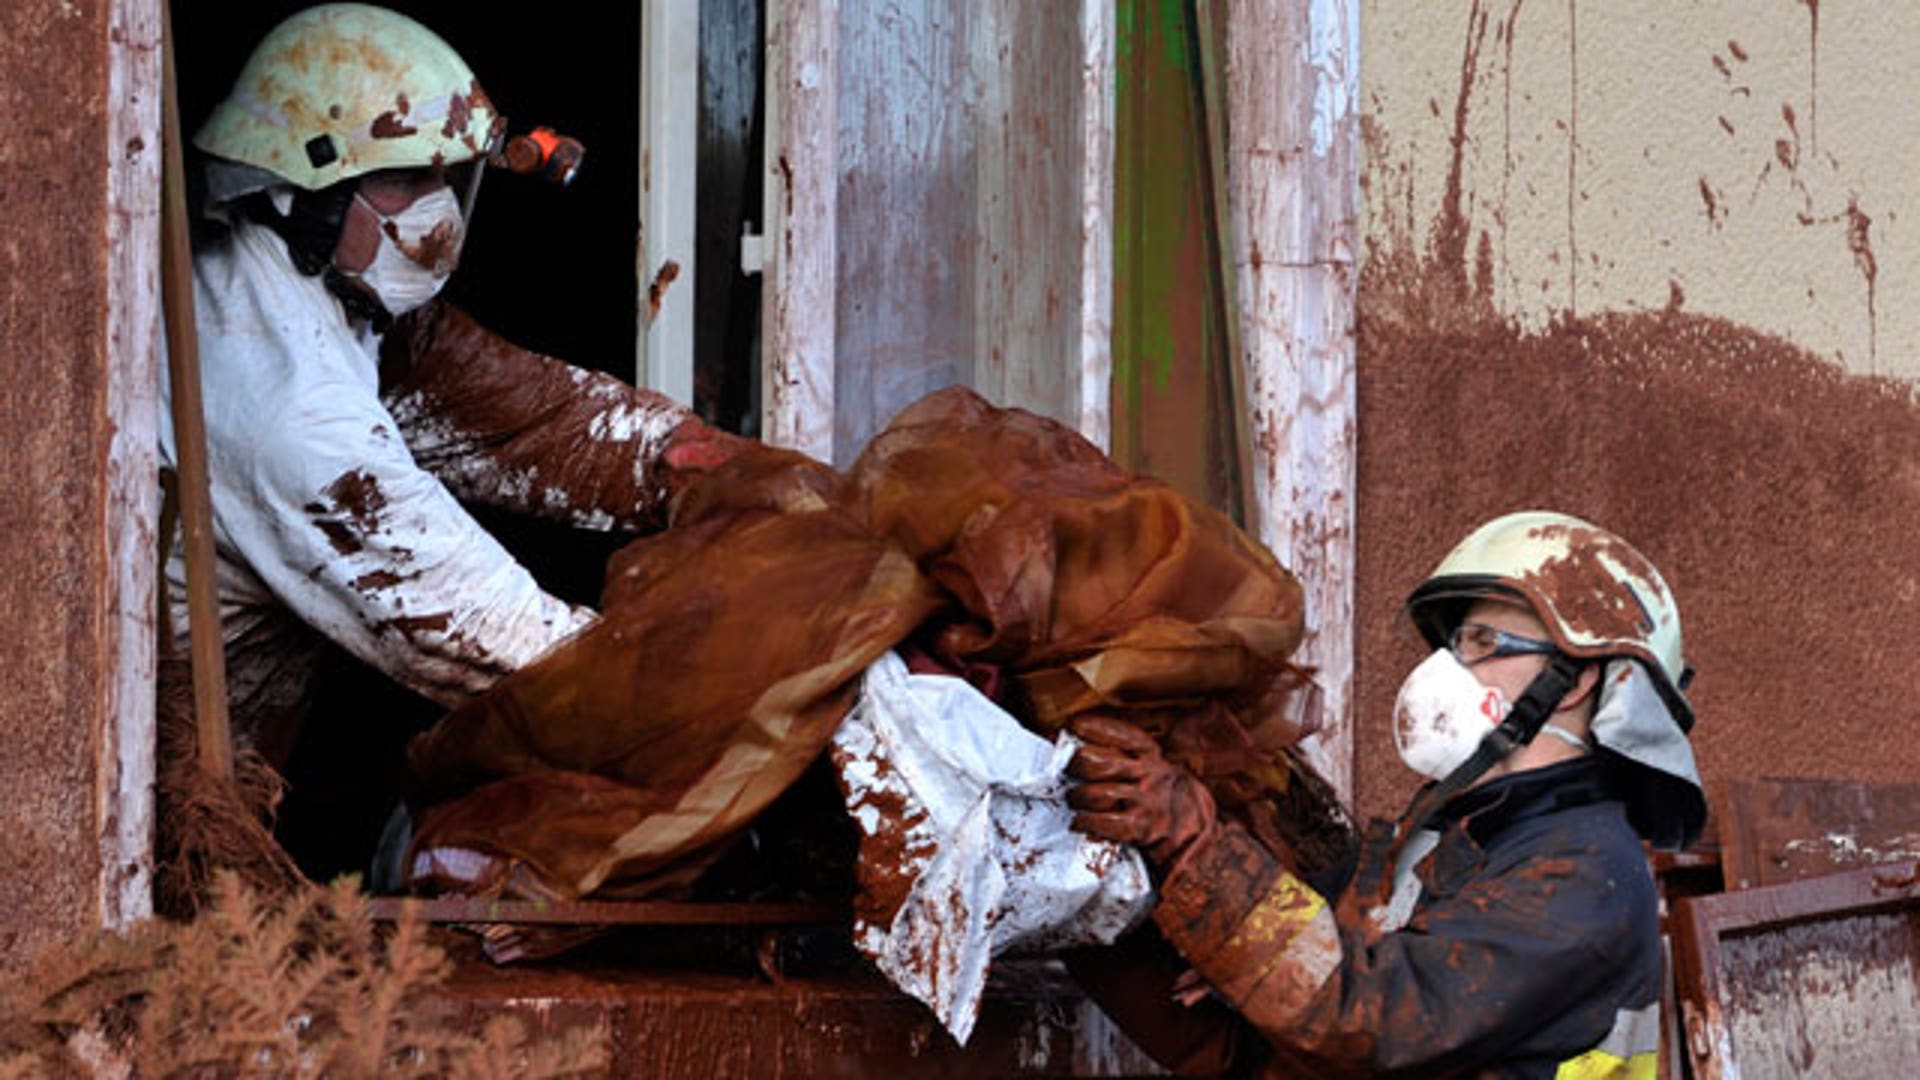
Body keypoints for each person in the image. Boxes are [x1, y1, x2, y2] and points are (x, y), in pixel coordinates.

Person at [161, 4, 748, 766]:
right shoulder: (293, 418)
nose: (438, 207)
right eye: (407, 177)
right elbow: (523, 654)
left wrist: (687, 458)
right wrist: (758, 691)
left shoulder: (323, 296)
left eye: (446, 176)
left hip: (250, 745)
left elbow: (528, 423)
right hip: (162, 790)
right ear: (300, 193)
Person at [1067, 511, 1705, 1078]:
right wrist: (1080, 904)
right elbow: (1264, 1040)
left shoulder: (1586, 876)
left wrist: (1190, 837)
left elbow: (1363, 1022)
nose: (1446, 668)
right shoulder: (1444, 838)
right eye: (1455, 643)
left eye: (1483, 643)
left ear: (1574, 683)